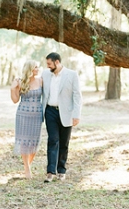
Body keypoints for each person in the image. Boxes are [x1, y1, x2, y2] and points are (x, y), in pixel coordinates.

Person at [41, 52, 82, 183]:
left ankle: (61, 170)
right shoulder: (45, 74)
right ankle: (50, 172)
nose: (48, 66)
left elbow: (77, 95)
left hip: (67, 113)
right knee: (53, 140)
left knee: (64, 142)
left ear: (57, 62)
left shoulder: (72, 74)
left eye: (49, 64)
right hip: (50, 111)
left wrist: (76, 114)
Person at [11, 61, 43, 178]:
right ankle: (27, 169)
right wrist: (12, 89)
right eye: (35, 67)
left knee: (34, 141)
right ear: (30, 69)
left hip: (37, 115)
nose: (38, 69)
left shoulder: (40, 80)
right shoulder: (20, 81)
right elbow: (15, 100)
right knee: (24, 142)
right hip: (23, 114)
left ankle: (27, 165)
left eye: (38, 67)